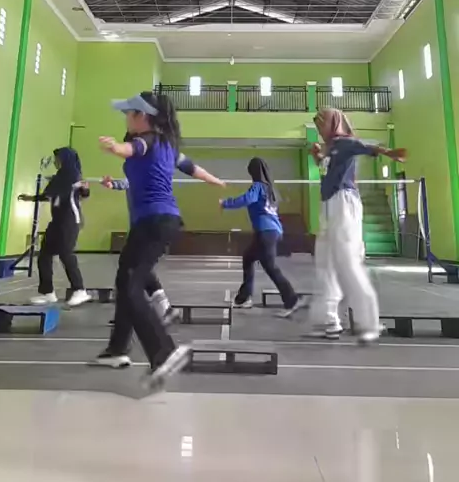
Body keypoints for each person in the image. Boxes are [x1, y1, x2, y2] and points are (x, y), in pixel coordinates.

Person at [92, 91, 225, 394]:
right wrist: (214, 180)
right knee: (124, 277)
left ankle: (163, 351)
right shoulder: (168, 146)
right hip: (155, 221)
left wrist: (115, 148)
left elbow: (130, 149)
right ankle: (117, 349)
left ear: (144, 117)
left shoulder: (147, 140)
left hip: (155, 221)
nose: (126, 118)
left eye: (130, 113)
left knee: (131, 283)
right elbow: (191, 167)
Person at [308, 108, 406, 344]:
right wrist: (317, 156)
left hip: (344, 203)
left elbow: (365, 147)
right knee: (325, 262)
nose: (319, 129)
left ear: (334, 123)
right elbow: (327, 168)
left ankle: (370, 324)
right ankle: (329, 321)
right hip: (328, 204)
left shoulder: (345, 143)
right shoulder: (331, 148)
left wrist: (389, 153)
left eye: (322, 124)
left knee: (348, 263)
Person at [101, 134, 180, 327]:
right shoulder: (134, 169)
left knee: (131, 271)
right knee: (136, 269)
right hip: (140, 226)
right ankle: (163, 309)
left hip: (153, 224)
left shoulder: (149, 164)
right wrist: (112, 184)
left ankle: (130, 317)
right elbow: (126, 183)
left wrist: (116, 148)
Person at [220, 157, 307, 316]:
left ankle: (292, 299)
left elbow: (247, 199)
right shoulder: (271, 189)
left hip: (265, 232)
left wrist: (226, 203)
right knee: (248, 258)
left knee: (270, 266)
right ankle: (244, 297)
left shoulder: (258, 186)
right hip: (273, 231)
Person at [19, 147, 91, 307]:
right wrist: (32, 198)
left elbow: (84, 193)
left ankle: (80, 290)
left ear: (65, 159)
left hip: (70, 220)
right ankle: (47, 293)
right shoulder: (60, 177)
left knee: (66, 253)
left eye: (58, 159)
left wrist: (84, 188)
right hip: (57, 220)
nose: (56, 162)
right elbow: (50, 194)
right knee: (44, 255)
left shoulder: (72, 174)